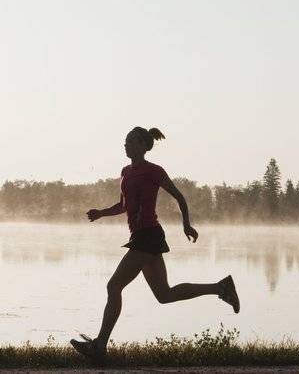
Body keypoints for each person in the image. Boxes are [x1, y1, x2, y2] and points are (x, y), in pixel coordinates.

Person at [70, 126, 239, 363]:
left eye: (130, 141)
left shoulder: (154, 171)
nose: (125, 144)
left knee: (113, 286)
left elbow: (179, 196)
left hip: (148, 235)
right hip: (142, 236)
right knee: (164, 295)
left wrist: (186, 225)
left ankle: (99, 346)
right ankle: (221, 288)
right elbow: (123, 205)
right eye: (125, 141)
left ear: (142, 146)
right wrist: (101, 213)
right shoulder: (126, 171)